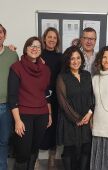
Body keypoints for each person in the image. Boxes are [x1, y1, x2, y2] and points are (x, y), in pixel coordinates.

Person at [8, 36, 52, 170]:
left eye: (38, 46)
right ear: (26, 49)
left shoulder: (45, 69)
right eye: (31, 46)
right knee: (22, 152)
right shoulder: (16, 67)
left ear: (41, 50)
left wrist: (49, 114)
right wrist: (17, 120)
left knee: (34, 150)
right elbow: (12, 96)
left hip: (42, 115)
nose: (34, 48)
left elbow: (47, 94)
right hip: (23, 116)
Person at [56, 46, 94, 170]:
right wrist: (77, 118)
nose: (75, 61)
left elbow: (93, 96)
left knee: (85, 148)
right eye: (72, 59)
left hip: (87, 119)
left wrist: (89, 113)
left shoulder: (87, 75)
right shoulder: (62, 77)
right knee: (69, 150)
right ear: (67, 61)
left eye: (78, 58)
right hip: (69, 119)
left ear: (82, 60)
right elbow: (63, 102)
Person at [39, 27, 62, 167]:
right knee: (40, 126)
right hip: (40, 96)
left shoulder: (61, 57)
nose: (52, 39)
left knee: (54, 128)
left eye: (54, 37)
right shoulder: (38, 54)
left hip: (56, 98)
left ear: (57, 40)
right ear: (45, 38)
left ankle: (52, 159)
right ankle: (35, 158)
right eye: (49, 37)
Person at [0, 24, 18, 170]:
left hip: (6, 106)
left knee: (4, 140)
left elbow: (21, 74)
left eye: (0, 32)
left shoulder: (12, 54)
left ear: (4, 35)